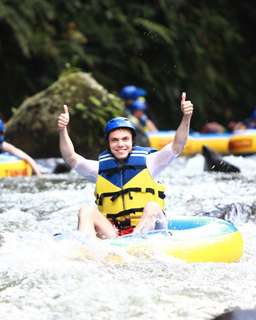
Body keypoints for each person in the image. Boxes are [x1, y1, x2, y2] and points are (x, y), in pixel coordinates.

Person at [57, 92, 193, 239]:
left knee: (152, 206)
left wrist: (186, 117)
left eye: (125, 139)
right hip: (115, 234)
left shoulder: (151, 162)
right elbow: (70, 157)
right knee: (86, 210)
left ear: (132, 141)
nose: (120, 144)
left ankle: (135, 243)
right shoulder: (99, 169)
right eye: (114, 140)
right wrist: (62, 130)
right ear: (108, 144)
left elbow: (178, 145)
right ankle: (84, 250)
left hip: (151, 230)